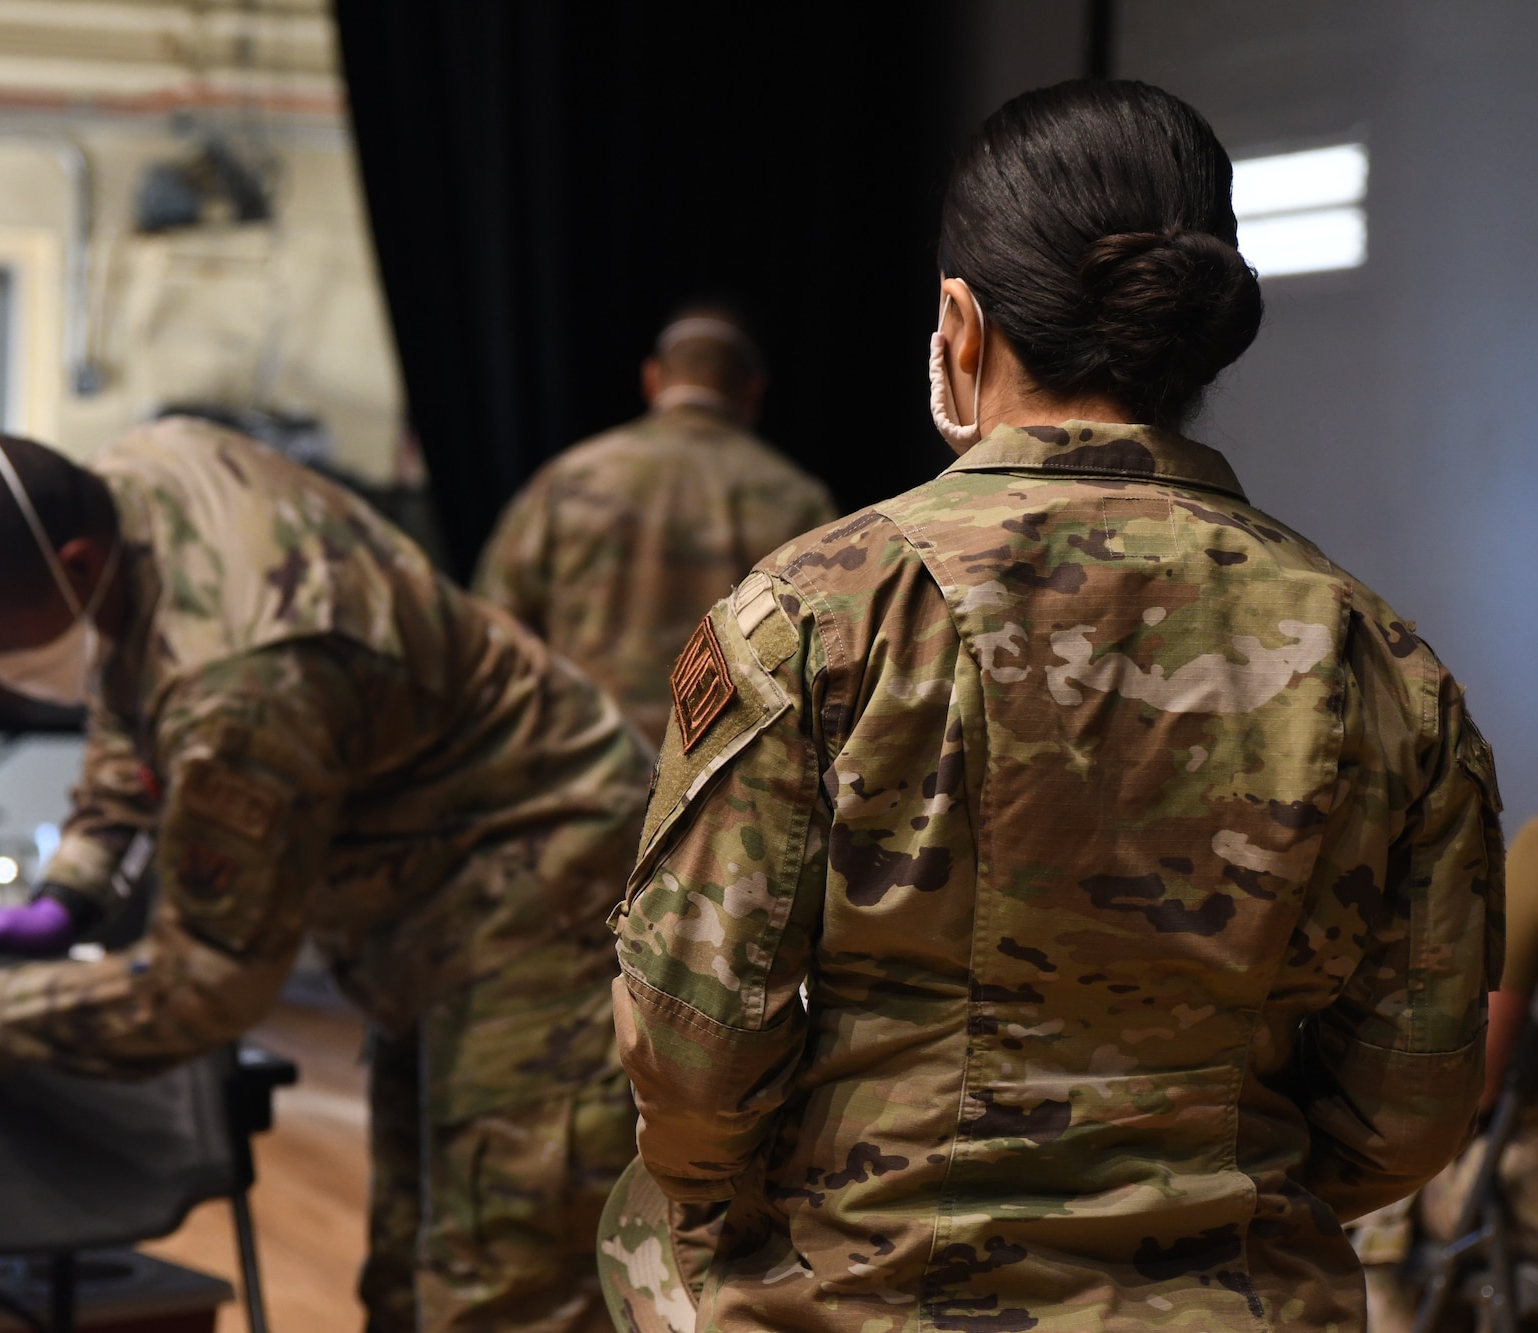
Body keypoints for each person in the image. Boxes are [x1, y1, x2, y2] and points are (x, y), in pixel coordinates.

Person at [597, 79, 1504, 1332]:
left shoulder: (819, 614)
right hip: (1239, 1305)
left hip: (867, 1298)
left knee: (642, 1235)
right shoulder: (1384, 665)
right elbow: (1408, 1111)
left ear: (957, 327)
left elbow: (690, 1054)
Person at [0, 416, 651, 1332]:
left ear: (80, 563)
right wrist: (72, 890)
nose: (0, 672)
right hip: (434, 892)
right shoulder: (141, 469)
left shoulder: (244, 686)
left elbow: (204, 986)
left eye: (4, 642)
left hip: (545, 887)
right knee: (410, 1272)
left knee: (504, 1282)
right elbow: (124, 687)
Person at [472, 304, 836, 744]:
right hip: (724, 787)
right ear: (754, 389)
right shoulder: (798, 501)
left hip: (584, 764)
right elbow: (828, 661)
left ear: (651, 377)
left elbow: (493, 631)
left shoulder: (570, 479)